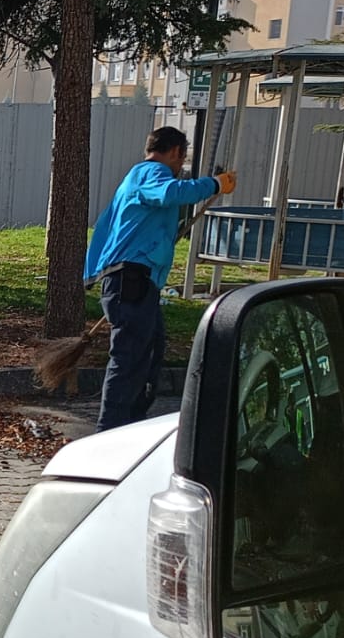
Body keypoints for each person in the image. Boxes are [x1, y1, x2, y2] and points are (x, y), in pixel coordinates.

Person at [85, 126, 236, 431]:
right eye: (182, 160)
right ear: (176, 152)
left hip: (135, 281)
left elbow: (110, 225)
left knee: (149, 353)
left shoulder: (137, 178)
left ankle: (131, 424)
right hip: (131, 280)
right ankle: (109, 430)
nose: (181, 169)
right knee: (129, 359)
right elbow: (169, 194)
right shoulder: (152, 173)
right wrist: (213, 185)